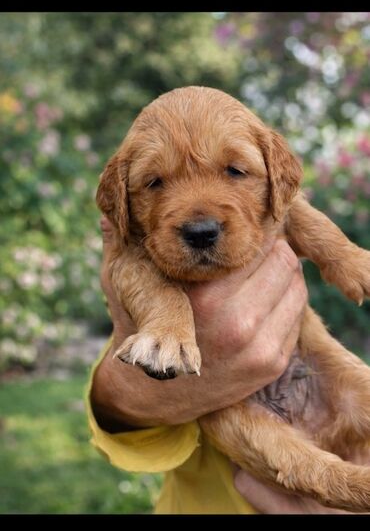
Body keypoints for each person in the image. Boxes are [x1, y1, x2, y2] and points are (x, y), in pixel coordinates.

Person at [86, 216, 349, 514]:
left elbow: (291, 212)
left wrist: (341, 255)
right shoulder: (149, 249)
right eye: (156, 183)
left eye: (234, 171)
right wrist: (126, 399)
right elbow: (121, 396)